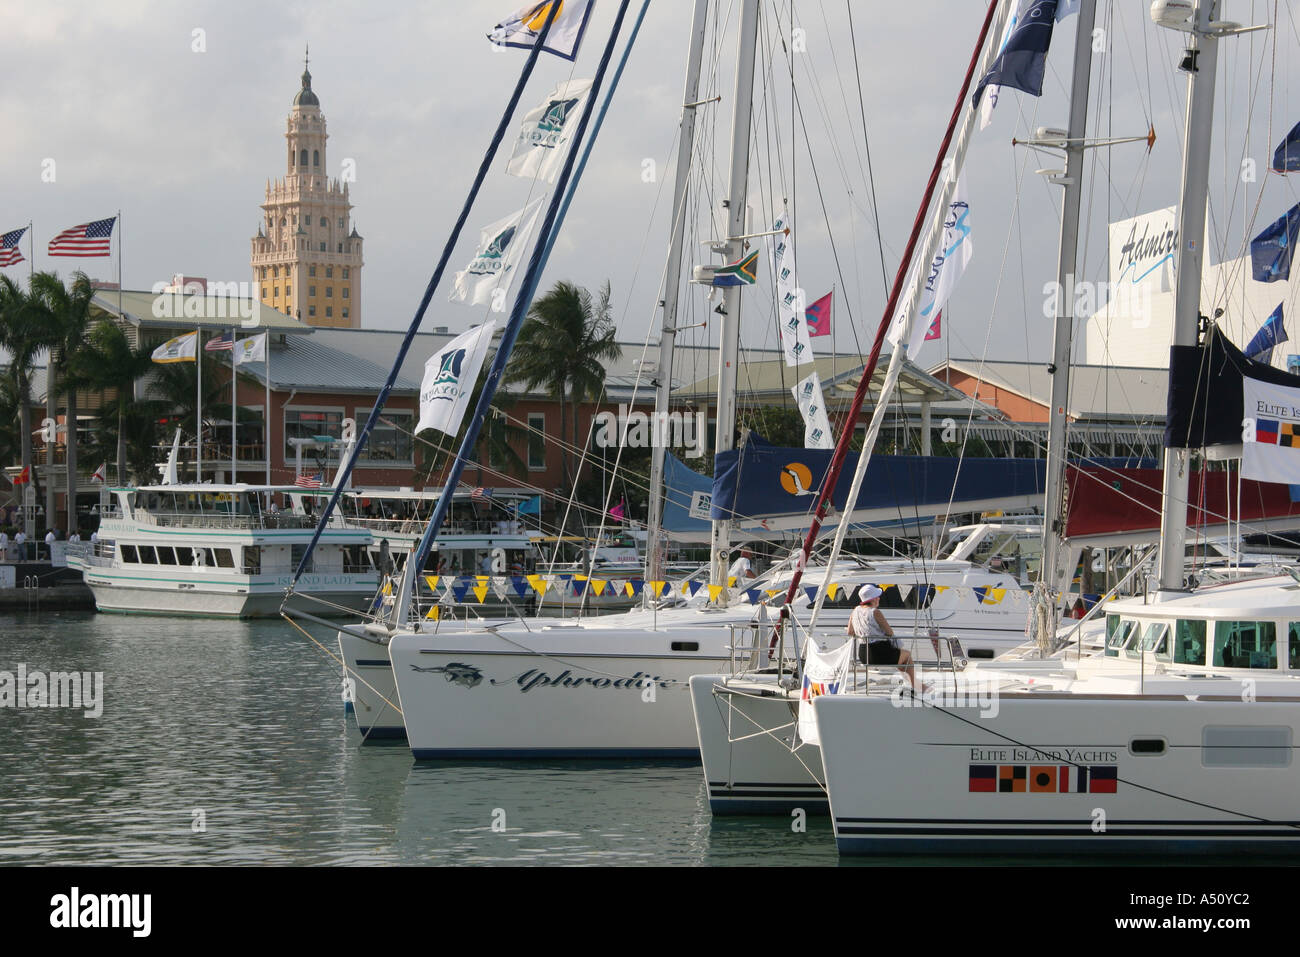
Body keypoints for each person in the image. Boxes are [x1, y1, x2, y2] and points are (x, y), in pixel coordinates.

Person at [848, 584, 915, 688]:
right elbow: (889, 632)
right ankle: (913, 684)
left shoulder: (855, 610)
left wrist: (863, 631)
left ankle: (908, 681)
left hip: (863, 655)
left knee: (900, 656)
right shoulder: (875, 612)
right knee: (906, 655)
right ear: (874, 599)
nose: (879, 598)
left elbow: (850, 632)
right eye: (877, 596)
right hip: (878, 653)